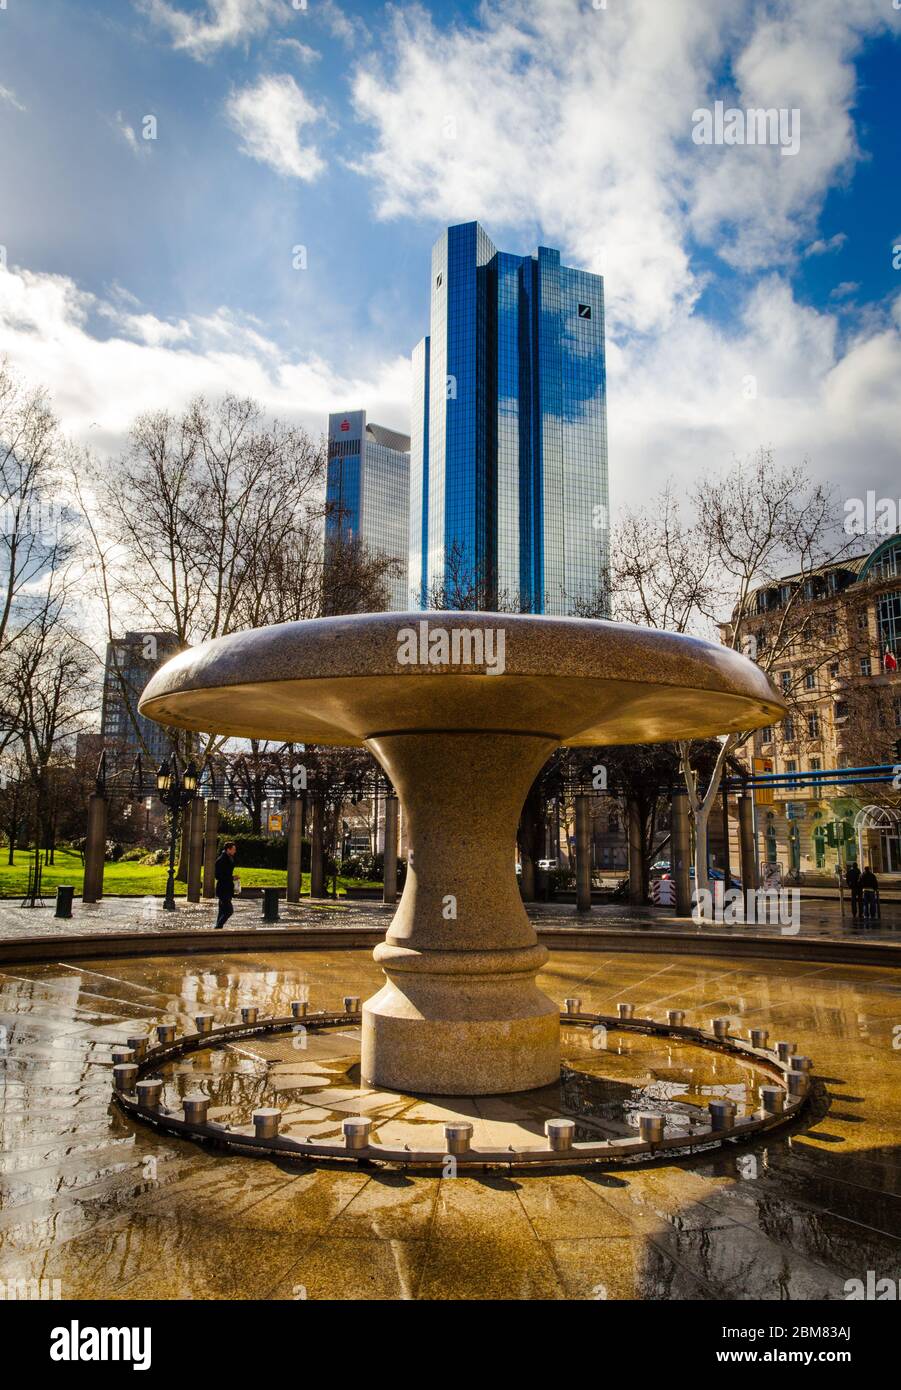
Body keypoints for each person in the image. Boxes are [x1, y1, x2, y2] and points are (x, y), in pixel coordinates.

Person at [214, 842, 238, 929]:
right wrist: (232, 877)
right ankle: (218, 926)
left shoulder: (229, 858)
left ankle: (217, 929)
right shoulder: (221, 860)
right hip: (223, 889)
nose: (235, 851)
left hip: (227, 888)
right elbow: (218, 876)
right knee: (229, 911)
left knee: (222, 911)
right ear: (228, 849)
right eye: (233, 849)